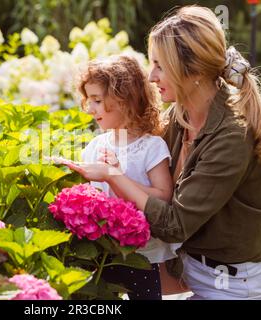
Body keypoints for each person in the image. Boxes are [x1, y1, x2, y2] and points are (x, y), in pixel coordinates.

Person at [67, 5, 261, 300]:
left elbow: (174, 225)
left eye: (159, 66)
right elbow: (138, 151)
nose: (151, 76)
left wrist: (113, 176)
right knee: (88, 279)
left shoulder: (231, 136)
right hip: (186, 266)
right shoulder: (182, 114)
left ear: (194, 72)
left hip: (229, 284)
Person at [76, 54, 181, 300]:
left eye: (97, 101)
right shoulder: (95, 146)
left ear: (124, 100)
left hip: (141, 256)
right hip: (101, 253)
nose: (90, 109)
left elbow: (163, 197)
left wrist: (118, 176)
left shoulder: (151, 147)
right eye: (88, 100)